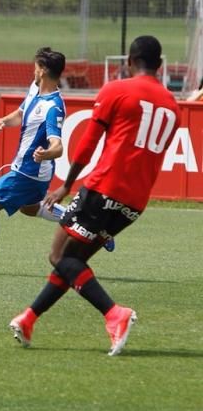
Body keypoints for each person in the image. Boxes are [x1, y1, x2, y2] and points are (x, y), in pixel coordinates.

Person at [9, 36, 178, 356]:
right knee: (75, 262)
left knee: (60, 255)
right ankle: (29, 318)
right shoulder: (172, 105)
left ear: (129, 61)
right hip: (135, 202)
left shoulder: (117, 90)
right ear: (159, 64)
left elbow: (87, 145)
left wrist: (66, 185)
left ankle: (115, 314)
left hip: (104, 188)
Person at [0, 47, 69, 275]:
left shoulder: (53, 107)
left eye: (36, 67)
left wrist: (46, 153)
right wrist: (2, 121)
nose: (33, 71)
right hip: (31, 170)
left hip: (29, 172)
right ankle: (78, 220)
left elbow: (58, 145)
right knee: (29, 208)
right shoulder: (35, 89)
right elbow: (20, 113)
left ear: (43, 70)